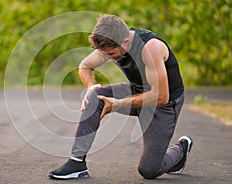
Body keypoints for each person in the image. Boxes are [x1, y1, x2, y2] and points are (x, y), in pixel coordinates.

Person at [48, 14, 193, 180]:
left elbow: (161, 96)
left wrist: (117, 104)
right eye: (105, 54)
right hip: (135, 90)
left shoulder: (151, 47)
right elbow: (85, 66)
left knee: (149, 170)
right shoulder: (110, 44)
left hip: (164, 103)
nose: (108, 57)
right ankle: (77, 162)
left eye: (111, 53)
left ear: (125, 41)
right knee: (96, 95)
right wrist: (90, 87)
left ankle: (180, 149)